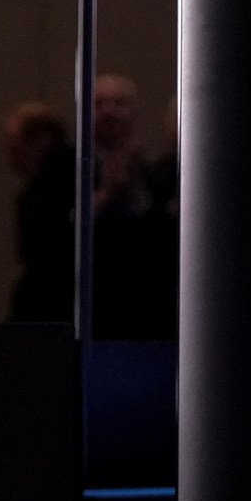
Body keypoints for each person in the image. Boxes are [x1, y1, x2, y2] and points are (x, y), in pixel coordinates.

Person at [90, 73, 179, 340]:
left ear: (134, 112)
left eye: (118, 103)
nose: (109, 112)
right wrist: (107, 193)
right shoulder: (65, 174)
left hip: (148, 311)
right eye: (99, 104)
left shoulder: (160, 175)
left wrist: (132, 193)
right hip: (94, 305)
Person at [3, 100, 73, 322]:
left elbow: (42, 250)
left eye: (15, 149)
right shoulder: (38, 188)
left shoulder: (60, 186)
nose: (12, 160)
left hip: (56, 303)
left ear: (42, 140)